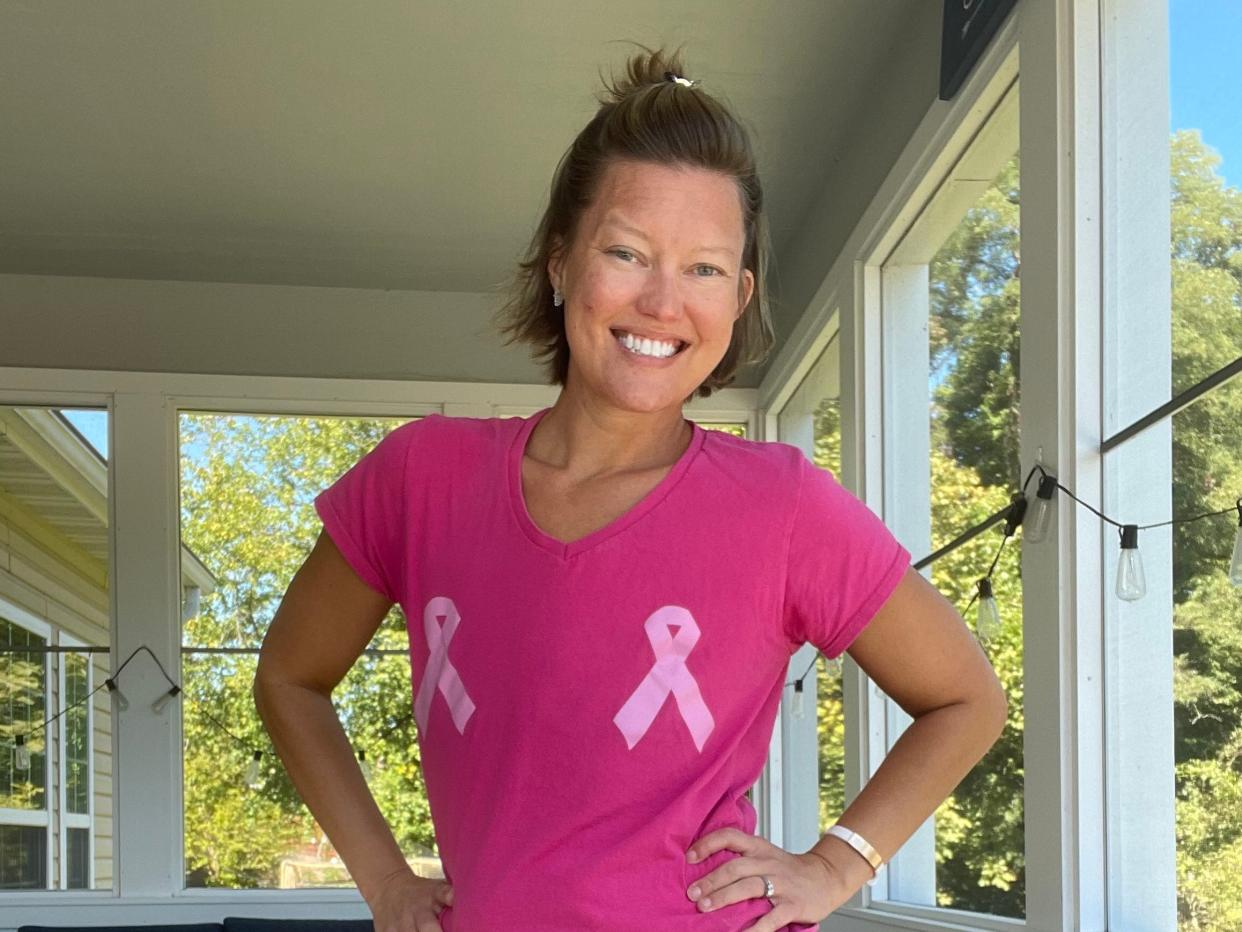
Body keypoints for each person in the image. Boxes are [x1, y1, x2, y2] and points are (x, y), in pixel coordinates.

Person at [254, 45, 1008, 932]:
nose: (662, 302)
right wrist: (384, 881)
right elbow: (289, 678)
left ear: (739, 296)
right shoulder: (423, 478)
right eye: (627, 252)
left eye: (704, 268)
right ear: (561, 262)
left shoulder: (784, 508)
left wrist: (838, 864)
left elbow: (968, 700)